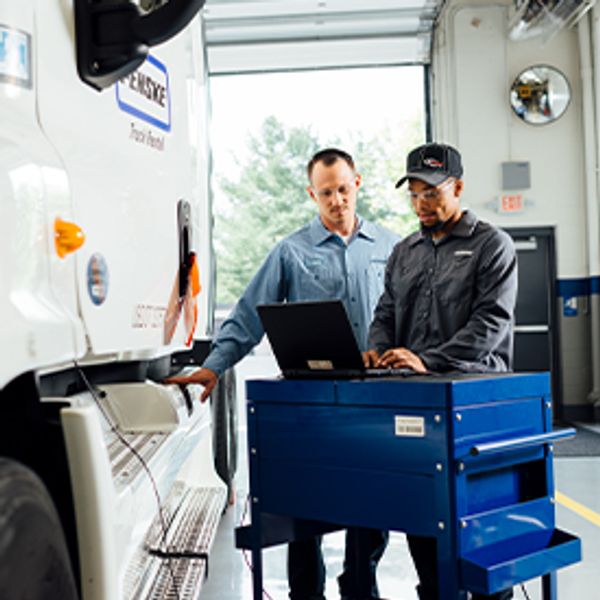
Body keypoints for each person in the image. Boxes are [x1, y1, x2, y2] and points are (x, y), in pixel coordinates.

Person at [168, 147, 400, 600]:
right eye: (326, 192)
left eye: (344, 189)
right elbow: (249, 316)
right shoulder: (291, 253)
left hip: (375, 401)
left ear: (359, 185)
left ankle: (359, 585)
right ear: (312, 194)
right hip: (311, 403)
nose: (337, 200)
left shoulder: (392, 247)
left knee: (373, 504)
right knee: (305, 506)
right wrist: (214, 367)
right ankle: (305, 594)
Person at [363, 142, 517, 600]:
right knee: (425, 521)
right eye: (413, 194)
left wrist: (428, 360)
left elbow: (491, 322)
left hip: (476, 406)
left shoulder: (492, 245)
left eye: (431, 192)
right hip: (419, 406)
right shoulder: (403, 251)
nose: (421, 204)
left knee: (482, 543)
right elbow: (385, 312)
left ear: (459, 187)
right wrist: (377, 349)